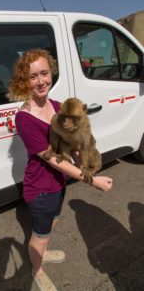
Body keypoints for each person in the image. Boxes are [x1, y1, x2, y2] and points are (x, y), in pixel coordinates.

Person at [8, 48, 113, 291]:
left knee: (51, 223)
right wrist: (92, 181)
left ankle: (41, 252)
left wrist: (84, 160)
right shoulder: (24, 118)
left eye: (44, 73)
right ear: (24, 80)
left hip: (58, 184)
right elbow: (52, 159)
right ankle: (37, 269)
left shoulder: (56, 105)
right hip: (41, 190)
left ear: (51, 72)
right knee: (40, 234)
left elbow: (70, 143)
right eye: (33, 76)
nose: (41, 81)